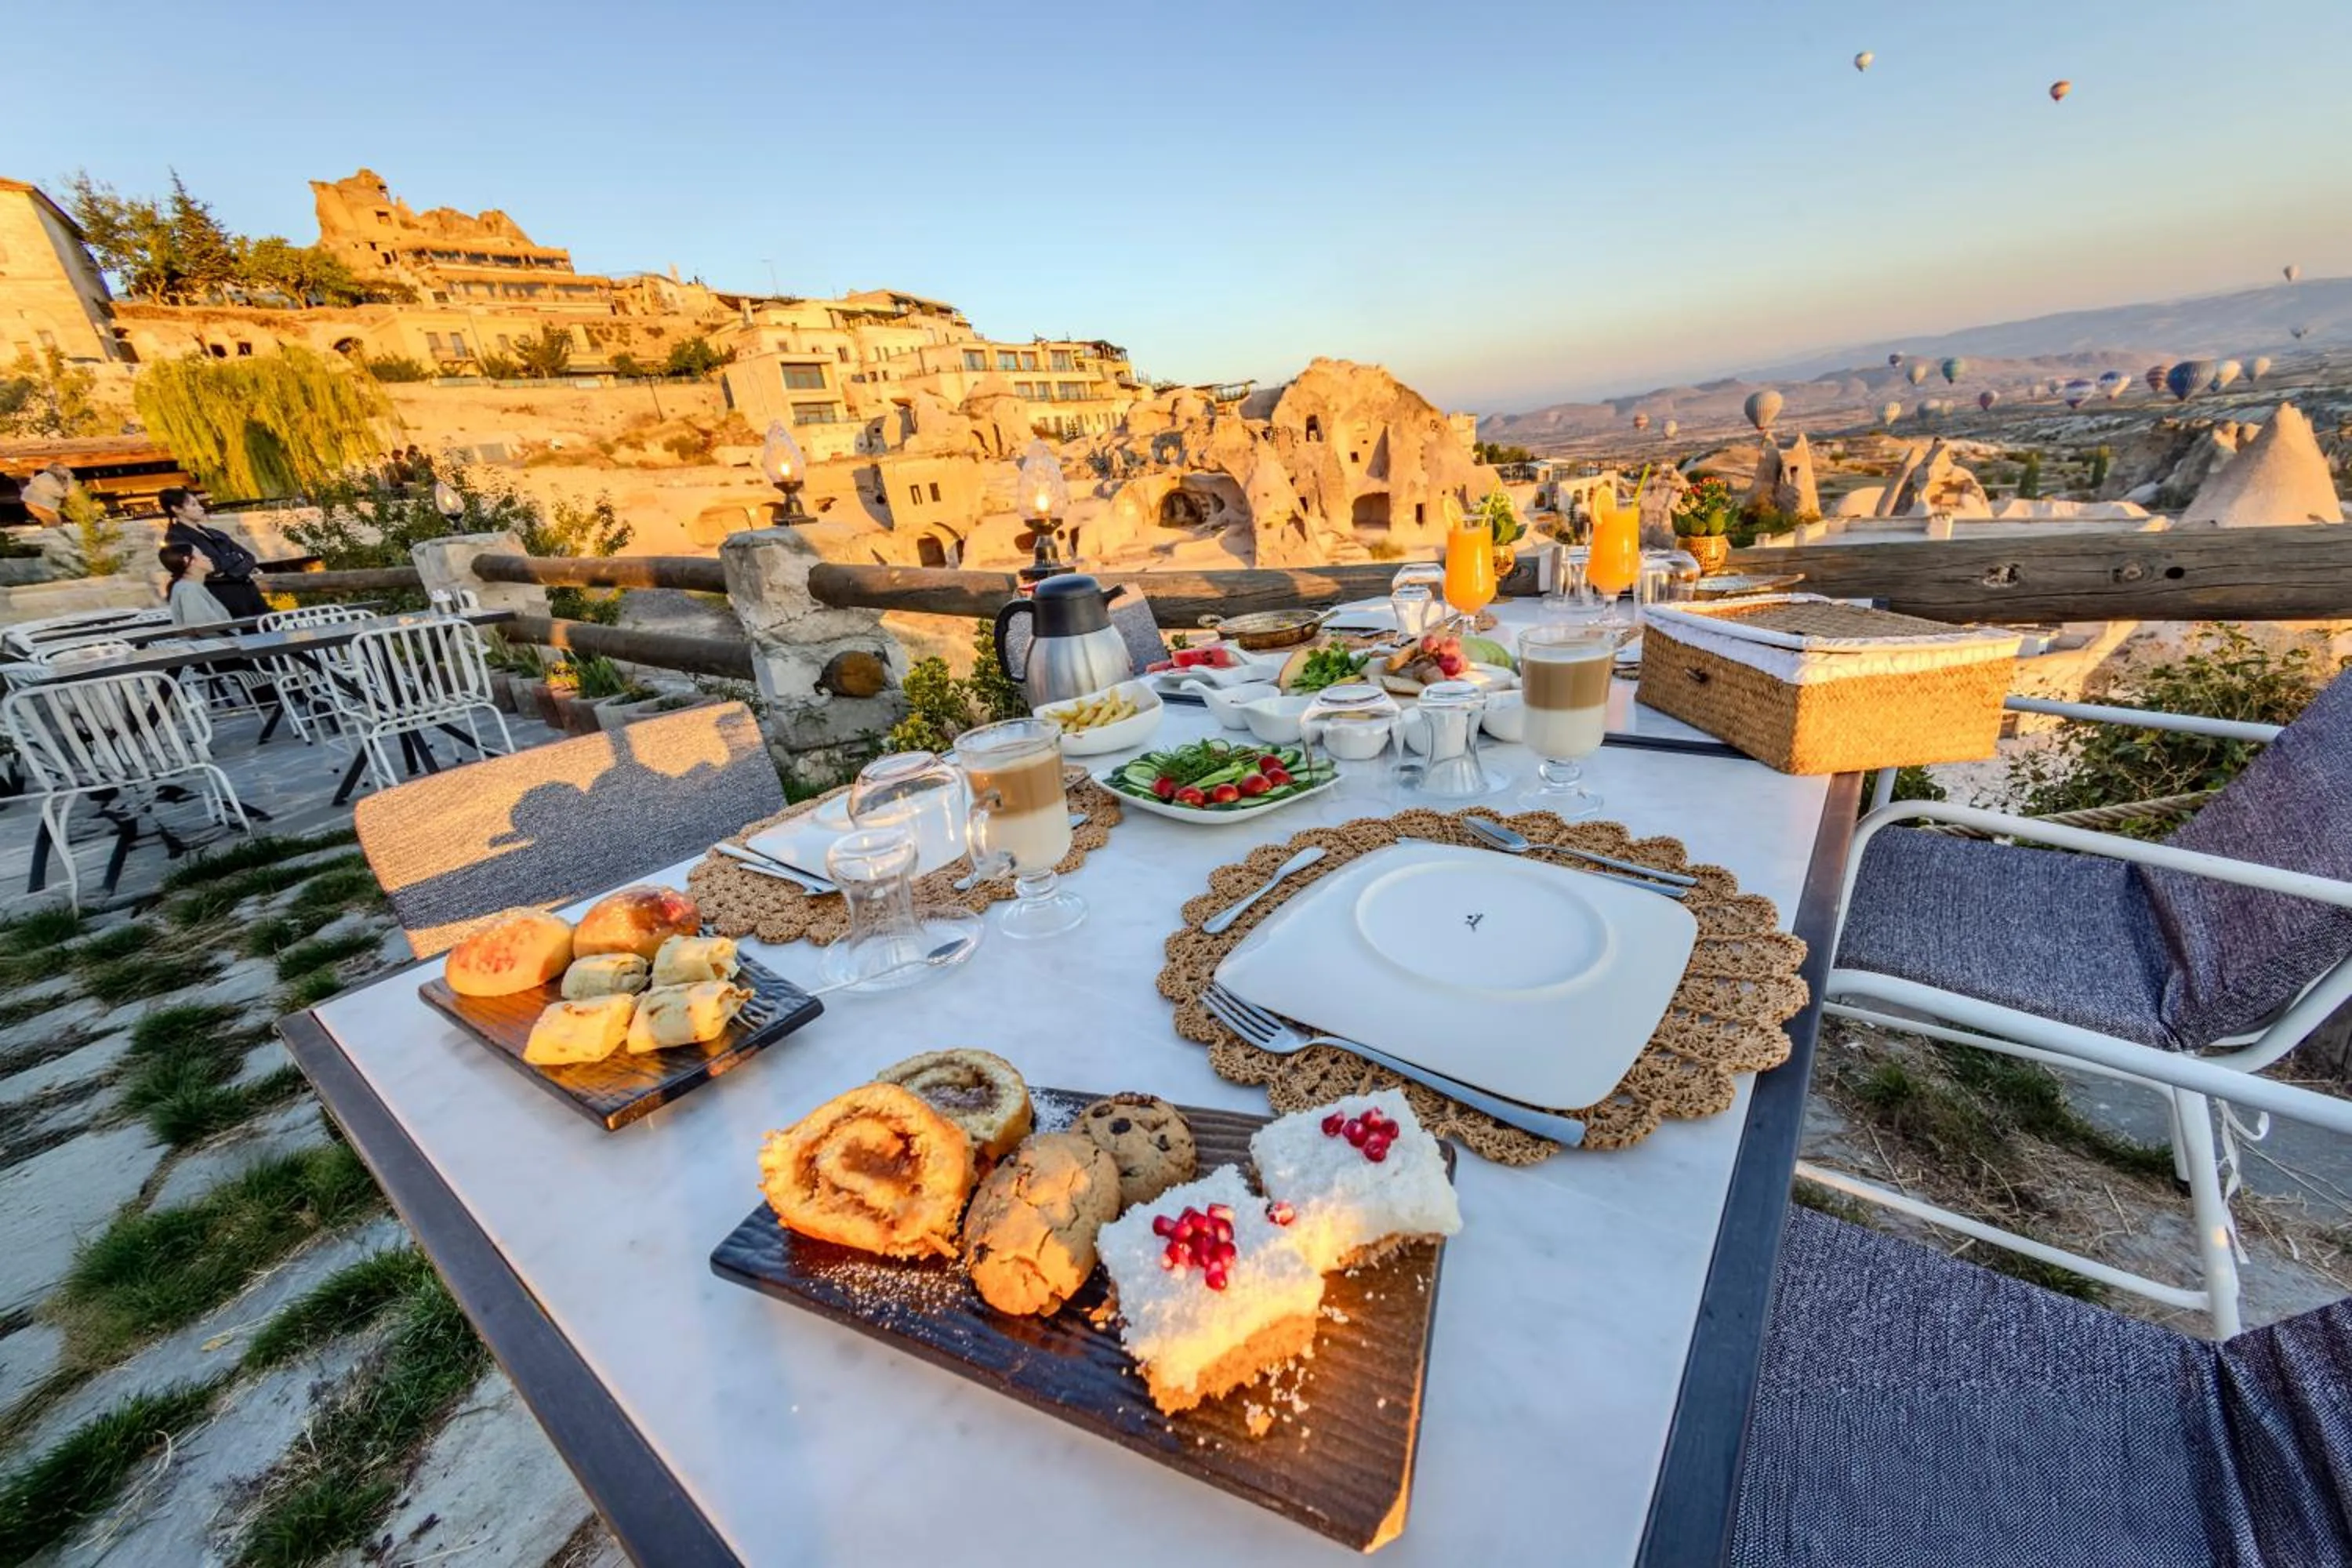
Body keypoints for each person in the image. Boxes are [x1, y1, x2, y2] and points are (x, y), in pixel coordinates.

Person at [158, 488, 267, 619]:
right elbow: (207, 565)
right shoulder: (176, 538)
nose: (201, 508)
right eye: (193, 504)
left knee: (268, 625)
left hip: (248, 591)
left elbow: (249, 557)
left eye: (198, 503)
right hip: (222, 595)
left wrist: (230, 572)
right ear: (176, 509)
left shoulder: (214, 533)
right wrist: (234, 559)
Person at [158, 542, 231, 626]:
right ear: (187, 560)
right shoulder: (188, 590)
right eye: (201, 555)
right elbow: (204, 628)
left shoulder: (189, 587)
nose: (208, 558)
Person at [20, 463, 74, 527]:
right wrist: (68, 491)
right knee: (55, 521)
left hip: (31, 502)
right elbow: (62, 494)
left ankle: (49, 528)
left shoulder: (45, 477)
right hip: (39, 504)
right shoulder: (52, 482)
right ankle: (52, 530)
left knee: (50, 520)